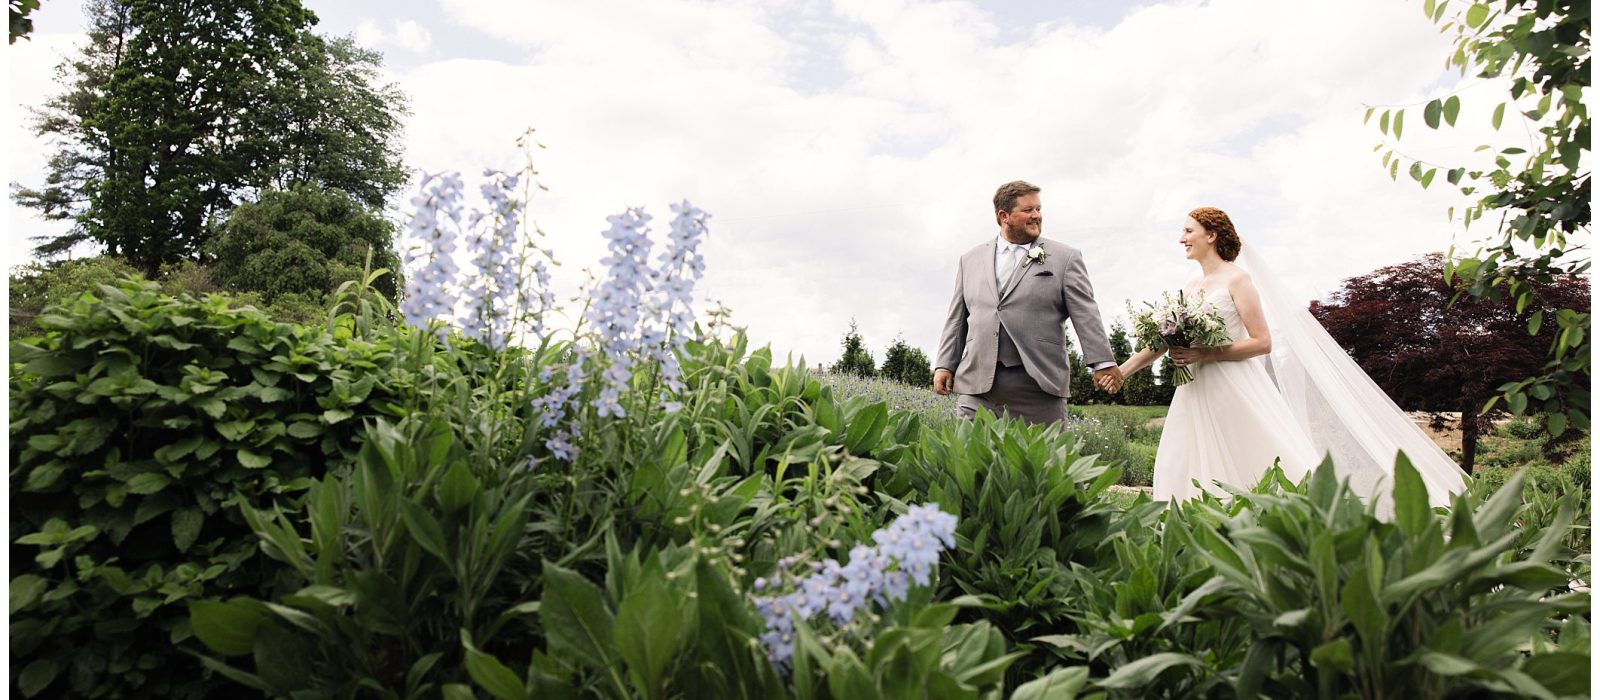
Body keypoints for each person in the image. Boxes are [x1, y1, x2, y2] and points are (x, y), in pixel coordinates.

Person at [1116, 207, 1469, 507]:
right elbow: (1163, 342)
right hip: (1194, 391)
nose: (1182, 238)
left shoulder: (1238, 280)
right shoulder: (1189, 288)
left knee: (1254, 457)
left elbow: (1262, 342)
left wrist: (1204, 352)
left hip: (1234, 387)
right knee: (1183, 461)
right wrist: (1123, 371)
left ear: (1211, 235)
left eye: (1188, 231)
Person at [934, 180, 1122, 425]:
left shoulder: (1065, 258)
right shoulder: (970, 260)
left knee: (1045, 461)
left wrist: (1103, 362)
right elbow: (957, 318)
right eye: (1028, 210)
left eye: (1039, 209)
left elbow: (1086, 314)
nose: (1037, 216)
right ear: (1004, 216)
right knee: (969, 460)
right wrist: (945, 364)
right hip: (977, 385)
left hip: (1038, 384)